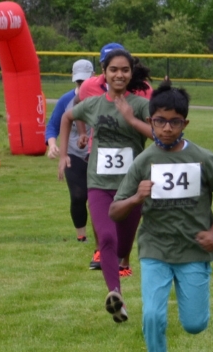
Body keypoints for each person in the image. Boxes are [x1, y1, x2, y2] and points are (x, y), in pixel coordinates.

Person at [109, 82, 213, 352]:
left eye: (174, 121)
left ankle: (195, 306)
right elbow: (115, 211)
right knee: (153, 317)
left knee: (194, 324)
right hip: (155, 250)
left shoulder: (204, 159)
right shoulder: (144, 161)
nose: (167, 128)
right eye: (160, 121)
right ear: (150, 121)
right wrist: (136, 199)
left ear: (185, 123)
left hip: (193, 250)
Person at [58, 48, 153, 322]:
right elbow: (67, 117)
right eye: (114, 70)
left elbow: (158, 133)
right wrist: (64, 154)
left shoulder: (140, 105)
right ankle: (116, 296)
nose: (119, 74)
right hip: (99, 183)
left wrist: (132, 118)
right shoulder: (93, 104)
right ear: (105, 72)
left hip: (132, 187)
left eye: (125, 70)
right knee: (107, 239)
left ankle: (119, 269)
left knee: (122, 246)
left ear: (131, 73)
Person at [46, 59, 102, 268]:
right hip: (74, 154)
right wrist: (53, 146)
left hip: (98, 154)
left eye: (85, 80)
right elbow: (52, 127)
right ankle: (81, 236)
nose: (81, 84)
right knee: (78, 196)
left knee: (98, 198)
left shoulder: (103, 97)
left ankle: (104, 236)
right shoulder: (66, 100)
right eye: (78, 81)